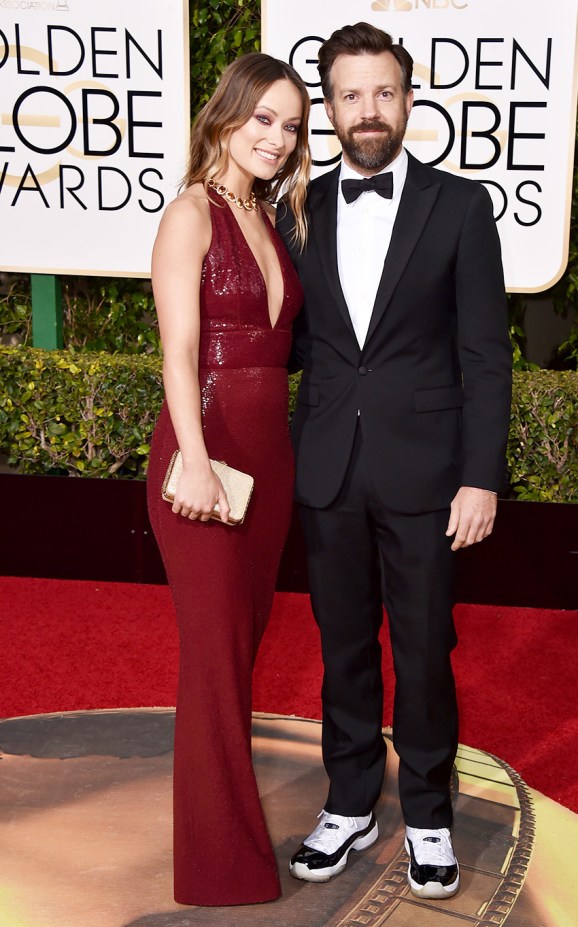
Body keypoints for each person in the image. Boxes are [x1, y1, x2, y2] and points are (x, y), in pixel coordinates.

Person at [277, 23, 512, 900]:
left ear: (409, 100)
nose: (366, 111)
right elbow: (289, 342)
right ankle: (348, 803)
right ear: (328, 108)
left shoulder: (460, 206)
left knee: (423, 649)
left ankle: (427, 813)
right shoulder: (300, 207)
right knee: (342, 648)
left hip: (428, 474)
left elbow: (487, 353)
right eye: (348, 95)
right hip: (328, 465)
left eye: (383, 93)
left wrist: (480, 474)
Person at [146, 53, 310, 906]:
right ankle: (221, 865)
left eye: (290, 125)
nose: (277, 138)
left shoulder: (270, 216)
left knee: (238, 657)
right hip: (202, 458)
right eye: (264, 119)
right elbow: (178, 352)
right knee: (213, 661)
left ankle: (225, 840)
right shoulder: (192, 214)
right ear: (226, 115)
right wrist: (197, 459)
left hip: (268, 464)